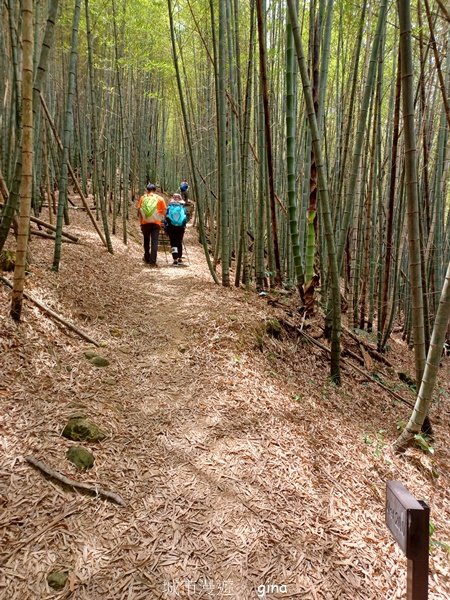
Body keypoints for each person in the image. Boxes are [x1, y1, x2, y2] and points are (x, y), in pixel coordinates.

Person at [137, 183, 166, 266]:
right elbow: (164, 212)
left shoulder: (143, 198)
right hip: (156, 223)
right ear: (155, 190)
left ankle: (146, 257)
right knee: (154, 242)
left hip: (145, 223)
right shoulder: (160, 198)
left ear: (147, 190)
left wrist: (141, 223)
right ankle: (152, 261)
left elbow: (139, 210)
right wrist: (161, 220)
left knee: (146, 241)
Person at [164, 193, 188, 266]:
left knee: (173, 243)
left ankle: (175, 259)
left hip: (171, 227)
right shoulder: (183, 207)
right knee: (179, 242)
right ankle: (180, 258)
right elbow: (185, 218)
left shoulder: (169, 207)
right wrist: (183, 225)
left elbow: (166, 218)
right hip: (180, 228)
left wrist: (166, 226)